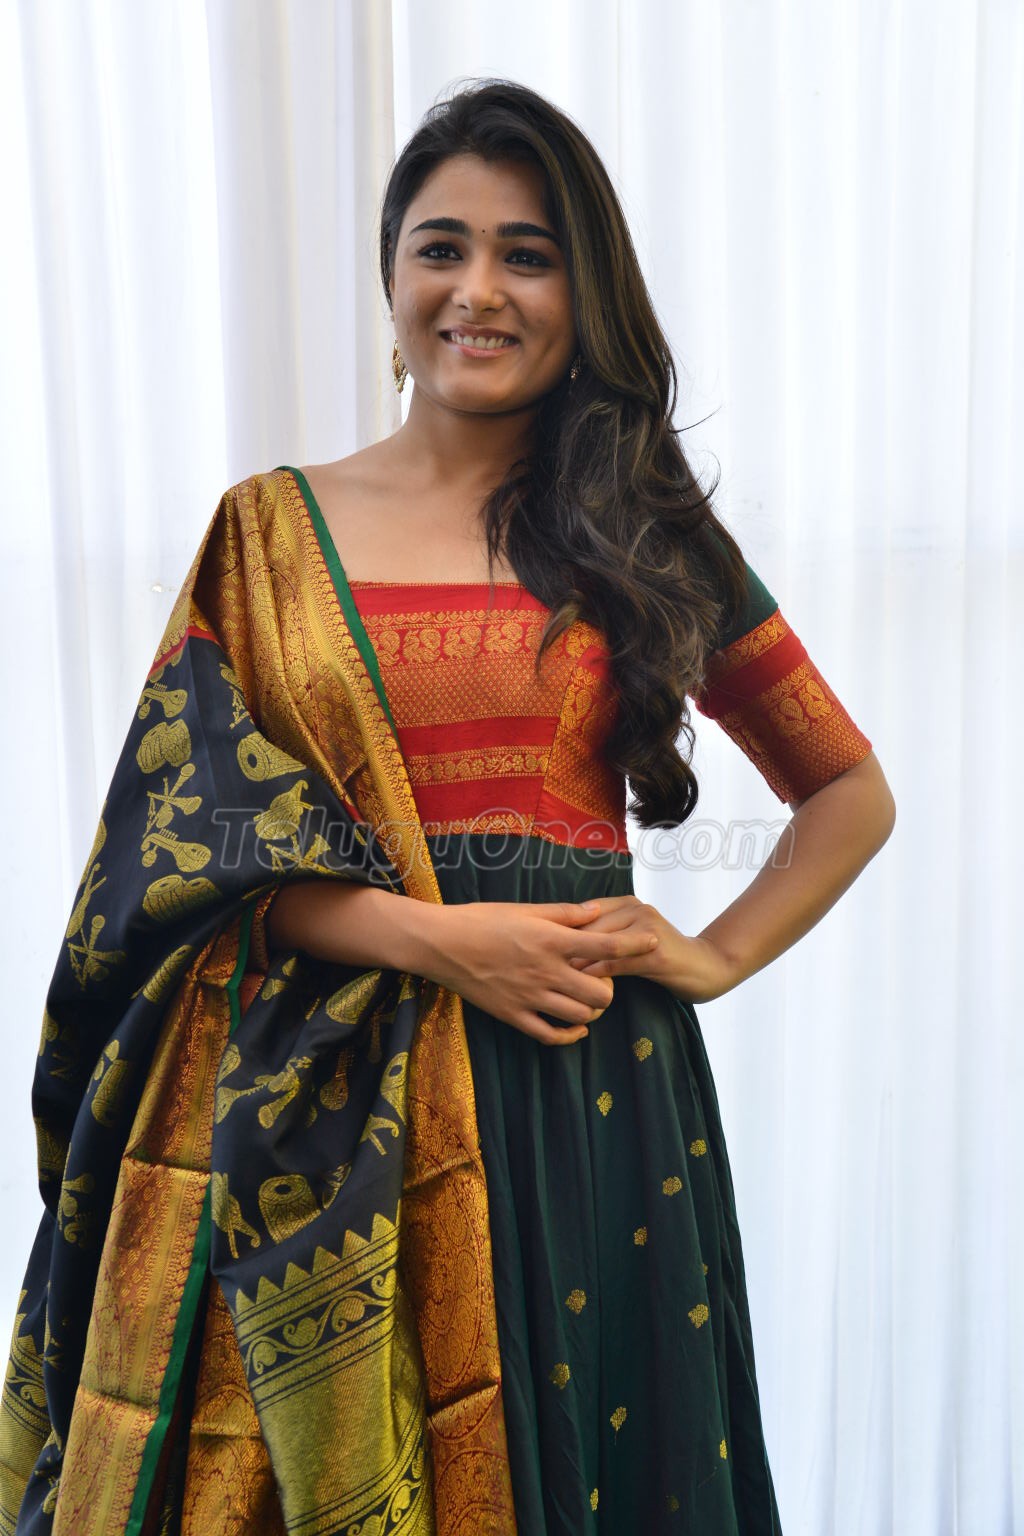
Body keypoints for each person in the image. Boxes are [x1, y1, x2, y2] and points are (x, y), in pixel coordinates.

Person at [0, 78, 895, 1536]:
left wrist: (715, 956)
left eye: (527, 255)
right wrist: (438, 940)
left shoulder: (641, 532)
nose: (479, 290)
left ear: (583, 293)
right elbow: (186, 860)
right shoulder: (269, 532)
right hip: (317, 1116)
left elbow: (847, 791)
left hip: (580, 1095)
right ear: (391, 275)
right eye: (442, 247)